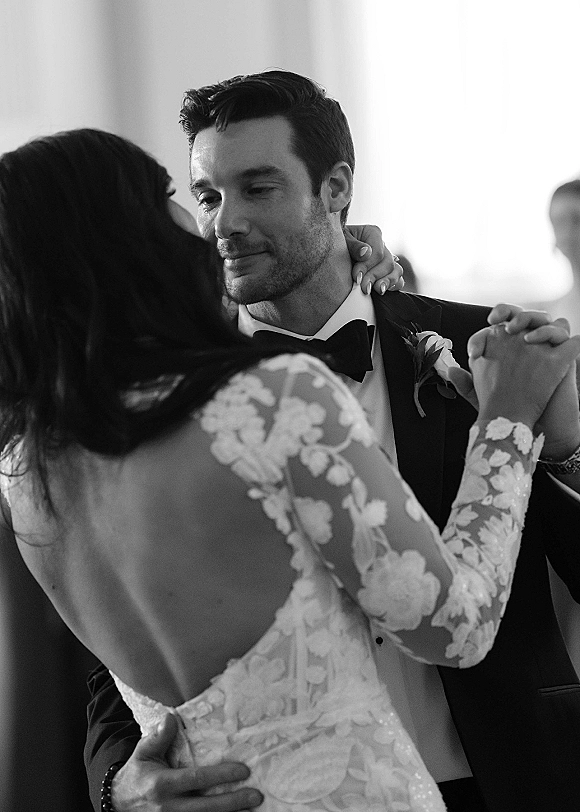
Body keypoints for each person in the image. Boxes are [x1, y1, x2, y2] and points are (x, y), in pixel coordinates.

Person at [0, 130, 578, 812]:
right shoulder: (276, 397)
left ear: (336, 189)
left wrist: (565, 448)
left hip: (503, 773)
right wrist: (506, 420)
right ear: (124, 239)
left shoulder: (26, 464)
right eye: (190, 197)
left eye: (258, 187)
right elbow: (455, 626)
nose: (212, 223)